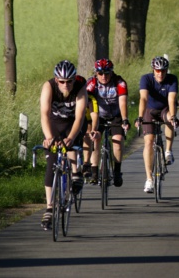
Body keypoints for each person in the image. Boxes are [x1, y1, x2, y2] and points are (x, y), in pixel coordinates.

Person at [39, 60, 87, 230]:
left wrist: (71, 138)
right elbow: (44, 114)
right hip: (55, 122)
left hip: (74, 123)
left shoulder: (81, 86)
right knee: (51, 163)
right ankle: (49, 208)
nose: (66, 85)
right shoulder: (49, 87)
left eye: (69, 81)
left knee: (71, 144)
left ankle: (76, 173)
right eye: (62, 81)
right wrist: (49, 137)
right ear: (56, 80)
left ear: (75, 79)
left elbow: (80, 116)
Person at [135, 56, 179, 193]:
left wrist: (173, 117)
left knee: (170, 120)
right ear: (153, 70)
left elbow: (172, 99)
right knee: (148, 142)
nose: (160, 74)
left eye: (163, 71)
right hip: (150, 110)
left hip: (165, 109)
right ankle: (149, 179)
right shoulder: (146, 79)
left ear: (166, 71)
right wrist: (140, 117)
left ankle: (168, 151)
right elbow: (143, 98)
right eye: (157, 70)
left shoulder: (172, 79)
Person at [85, 59, 130, 187]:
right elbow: (86, 101)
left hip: (116, 115)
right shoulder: (92, 83)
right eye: (100, 73)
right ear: (96, 73)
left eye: (107, 73)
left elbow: (122, 102)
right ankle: (94, 172)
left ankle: (117, 171)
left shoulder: (119, 82)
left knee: (118, 140)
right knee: (95, 138)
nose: (104, 76)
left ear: (112, 72)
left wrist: (125, 119)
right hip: (98, 116)